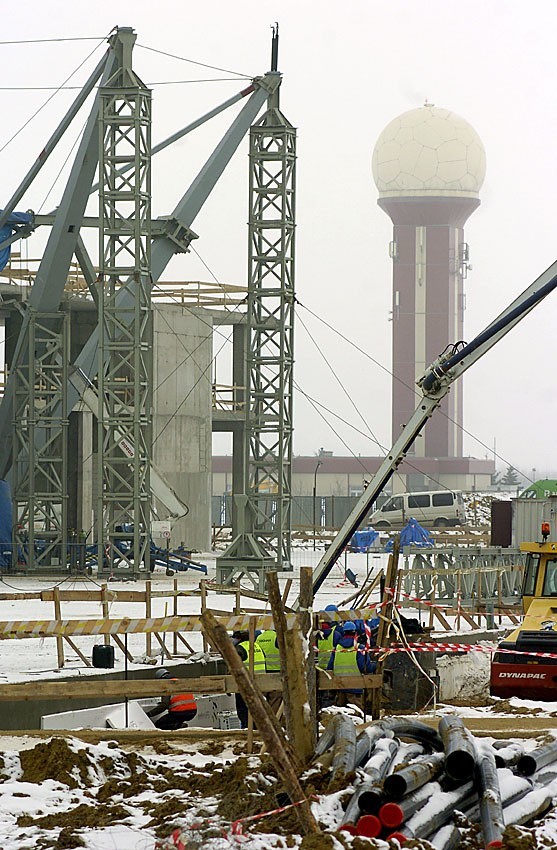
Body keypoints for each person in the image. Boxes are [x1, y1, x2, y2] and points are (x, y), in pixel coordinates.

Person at [326, 620, 376, 711]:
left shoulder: (337, 648)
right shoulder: (359, 648)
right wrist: (375, 666)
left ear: (344, 632)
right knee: (357, 717)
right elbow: (366, 667)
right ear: (355, 633)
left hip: (340, 688)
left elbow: (329, 667)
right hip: (355, 689)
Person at [232, 630, 266, 728]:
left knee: (244, 712)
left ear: (239, 639)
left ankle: (247, 730)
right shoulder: (257, 646)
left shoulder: (239, 649)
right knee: (257, 710)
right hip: (260, 684)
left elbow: (233, 666)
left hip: (244, 685)